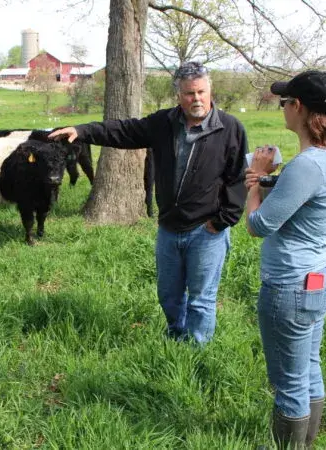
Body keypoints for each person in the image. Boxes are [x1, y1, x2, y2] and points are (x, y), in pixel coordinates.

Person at [49, 61, 248, 345]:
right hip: (169, 228)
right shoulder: (163, 123)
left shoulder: (230, 128)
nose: (197, 99)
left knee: (202, 299)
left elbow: (238, 178)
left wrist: (221, 221)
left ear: (210, 89)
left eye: (202, 92)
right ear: (178, 94)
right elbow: (124, 131)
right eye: (190, 93)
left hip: (206, 231)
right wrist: (83, 130)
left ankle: (197, 354)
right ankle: (175, 338)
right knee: (169, 295)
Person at [245, 71, 326, 449]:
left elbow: (259, 225)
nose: (283, 109)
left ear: (299, 108)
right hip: (317, 279)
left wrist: (256, 181)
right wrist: (271, 179)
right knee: (308, 368)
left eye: (284, 102)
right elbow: (302, 194)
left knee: (288, 382)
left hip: (289, 286)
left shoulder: (308, 165)